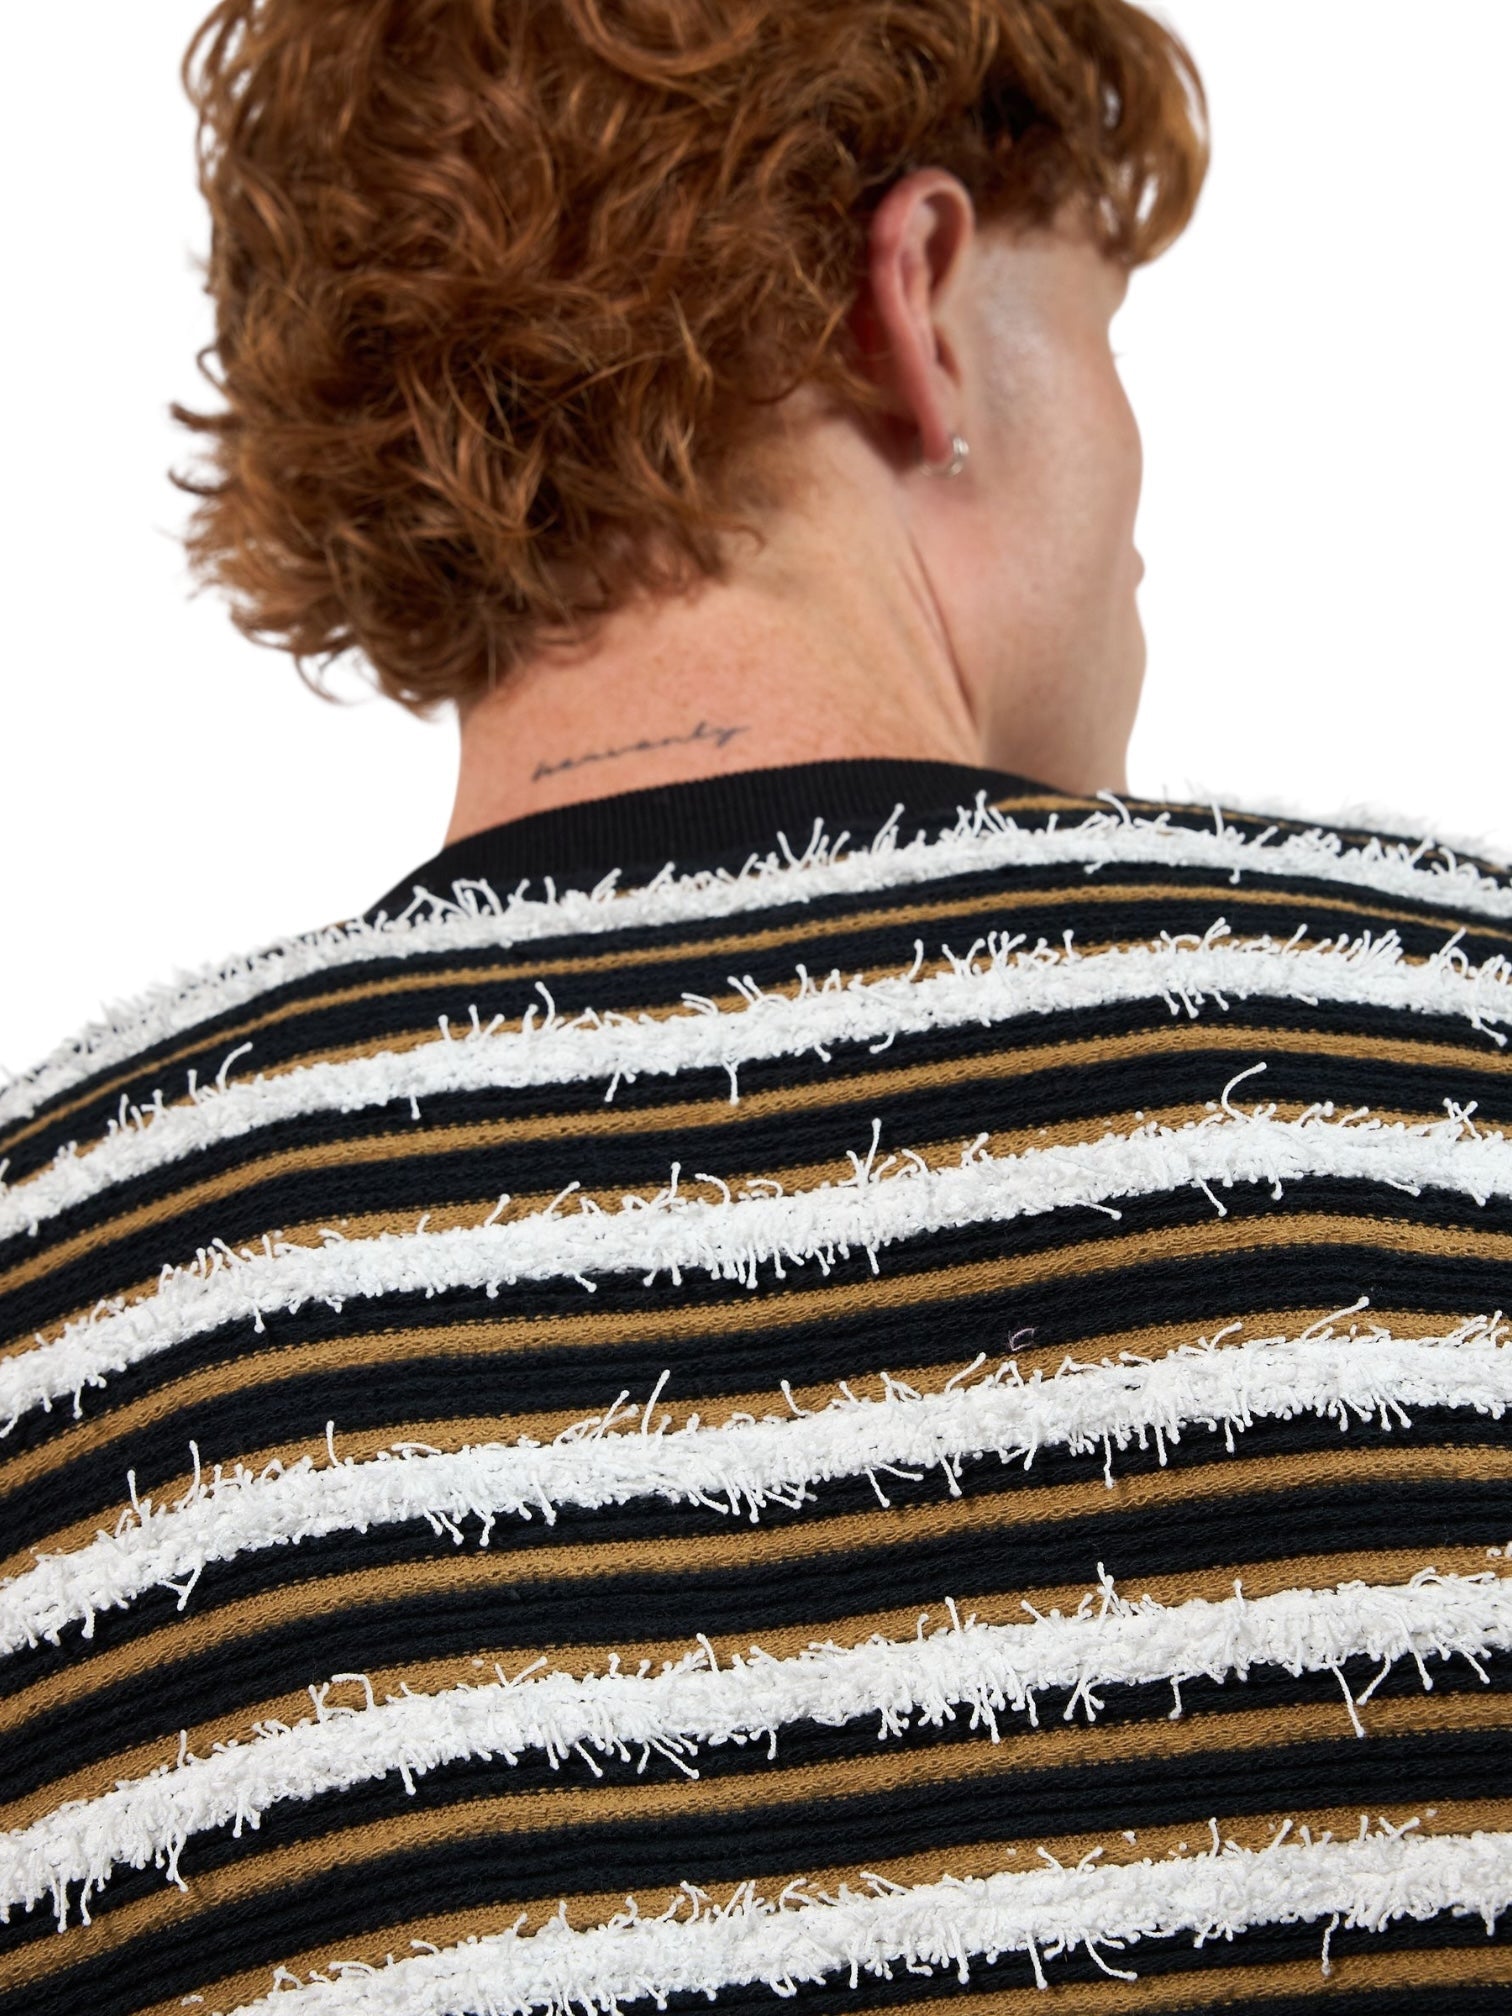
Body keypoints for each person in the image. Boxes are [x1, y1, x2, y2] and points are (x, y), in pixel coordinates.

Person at [1, 2, 1510, 2011]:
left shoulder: (52, 1302)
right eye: (1104, 329)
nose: (1142, 512)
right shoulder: (1463, 1071)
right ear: (921, 307)